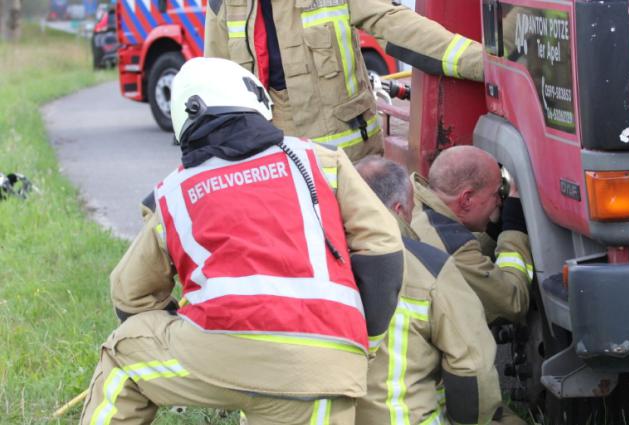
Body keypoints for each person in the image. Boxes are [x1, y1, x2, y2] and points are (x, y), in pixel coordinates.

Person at [78, 57, 403, 425]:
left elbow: (129, 294)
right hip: (325, 369)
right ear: (257, 103)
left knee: (124, 353)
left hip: (217, 353)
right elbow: (383, 251)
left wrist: (179, 326)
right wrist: (362, 342)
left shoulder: (173, 192)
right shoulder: (322, 162)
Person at [204, 0, 484, 162]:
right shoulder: (224, 4)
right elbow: (215, 82)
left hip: (349, 165)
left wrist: (483, 64)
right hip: (271, 162)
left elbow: (396, 23)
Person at [354, 156, 501, 425]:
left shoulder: (315, 259)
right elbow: (472, 365)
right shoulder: (429, 267)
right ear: (399, 209)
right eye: (412, 210)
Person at [410, 146, 533, 324]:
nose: (500, 201)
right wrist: (514, 226)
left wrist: (492, 230)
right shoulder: (452, 247)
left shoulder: (414, 202)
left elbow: (469, 257)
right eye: (497, 193)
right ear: (467, 199)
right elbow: (512, 303)